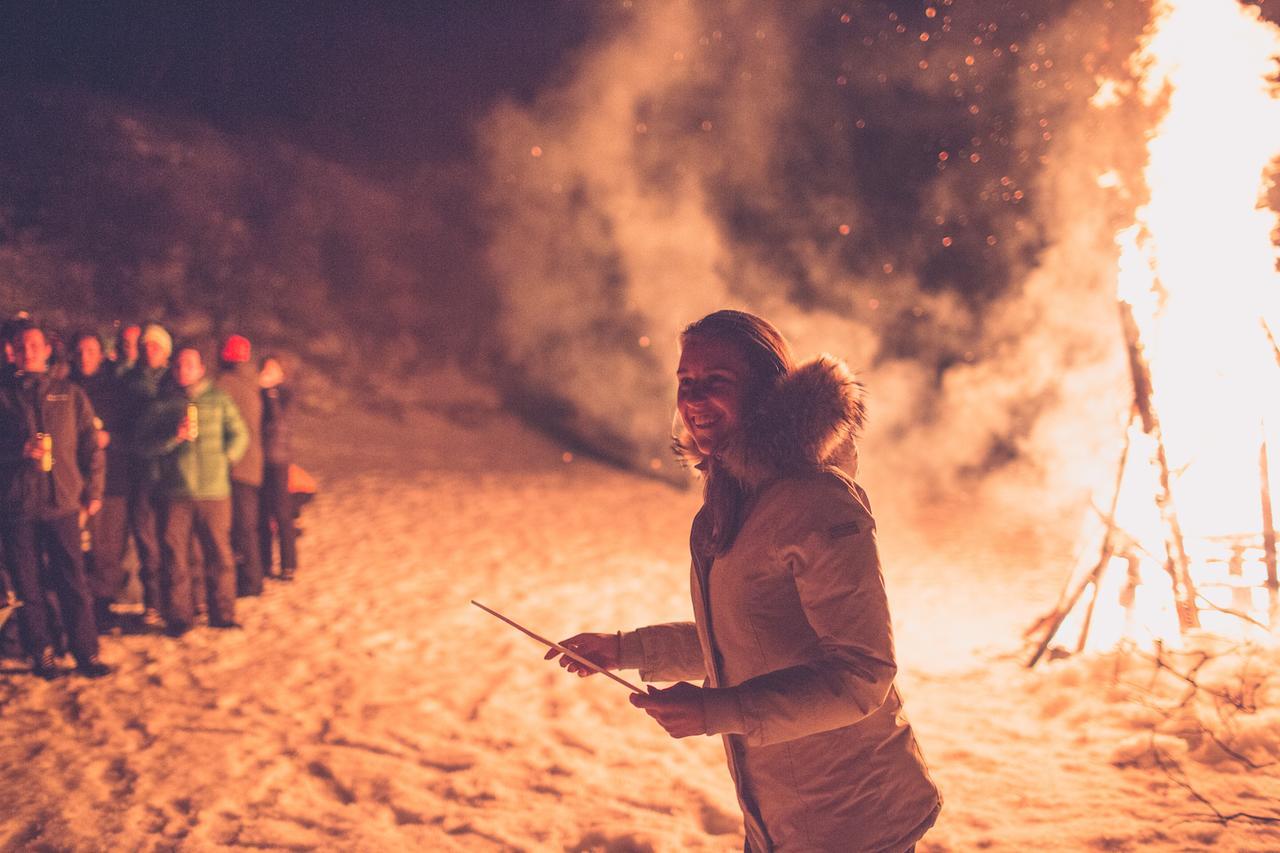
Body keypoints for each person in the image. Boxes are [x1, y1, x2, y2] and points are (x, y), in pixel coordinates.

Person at [546, 310, 941, 852]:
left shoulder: (815, 501)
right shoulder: (729, 502)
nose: (694, 398)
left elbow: (861, 674)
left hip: (854, 821)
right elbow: (746, 636)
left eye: (717, 382)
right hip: (780, 820)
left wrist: (716, 712)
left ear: (766, 393)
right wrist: (623, 649)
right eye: (686, 382)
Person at [0, 320, 110, 678]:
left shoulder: (71, 394)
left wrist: (93, 491)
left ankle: (85, 653)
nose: (28, 350)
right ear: (12, 352)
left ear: (47, 350)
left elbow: (91, 447)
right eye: (21, 345)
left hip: (62, 502)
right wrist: (18, 450)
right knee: (28, 585)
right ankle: (41, 651)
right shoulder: (3, 395)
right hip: (17, 506)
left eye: (35, 344)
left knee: (72, 580)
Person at [139, 343, 248, 635]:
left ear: (201, 369)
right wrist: (173, 438)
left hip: (215, 492)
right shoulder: (161, 404)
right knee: (175, 556)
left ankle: (222, 613)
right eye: (178, 365)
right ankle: (179, 617)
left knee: (219, 555)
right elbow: (144, 445)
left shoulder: (219, 399)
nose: (183, 370)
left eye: (189, 365)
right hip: (174, 492)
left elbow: (239, 433)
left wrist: (226, 458)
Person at [70, 330, 132, 629]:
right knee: (80, 547)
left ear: (101, 354)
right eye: (80, 351)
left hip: (113, 480)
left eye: (91, 351)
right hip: (75, 480)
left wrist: (111, 438)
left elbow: (134, 433)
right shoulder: (65, 389)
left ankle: (104, 605)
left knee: (107, 547)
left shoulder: (117, 391)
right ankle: (81, 606)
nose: (85, 357)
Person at [123, 322, 173, 627]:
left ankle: (178, 599)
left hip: (171, 474)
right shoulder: (129, 383)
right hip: (140, 471)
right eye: (144, 346)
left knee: (174, 539)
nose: (148, 350)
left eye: (155, 346)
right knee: (146, 540)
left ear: (166, 351)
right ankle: (153, 601)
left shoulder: (175, 380)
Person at [215, 334, 265, 596]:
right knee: (248, 525)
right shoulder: (254, 381)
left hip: (234, 464)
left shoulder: (225, 384)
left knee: (239, 526)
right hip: (253, 463)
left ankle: (249, 581)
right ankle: (252, 577)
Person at [258, 355, 298, 581]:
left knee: (282, 512)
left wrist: (271, 395)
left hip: (278, 459)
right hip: (259, 460)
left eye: (272, 369)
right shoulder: (258, 393)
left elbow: (279, 424)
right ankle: (264, 562)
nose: (266, 373)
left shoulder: (285, 394)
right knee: (261, 513)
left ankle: (288, 564)